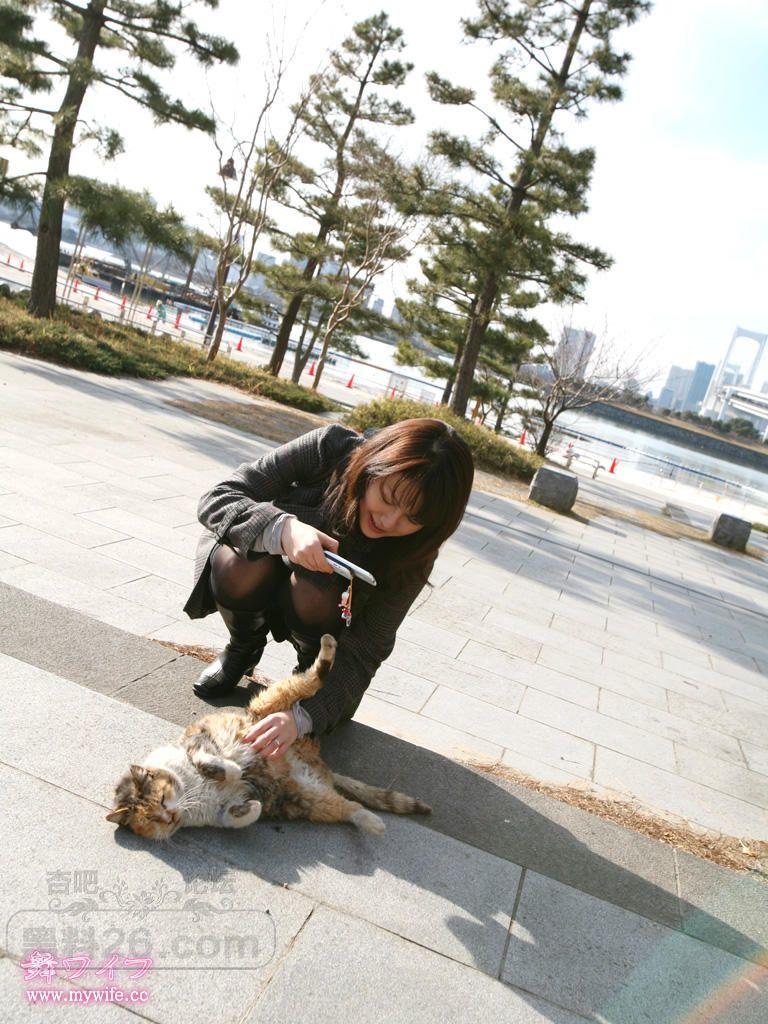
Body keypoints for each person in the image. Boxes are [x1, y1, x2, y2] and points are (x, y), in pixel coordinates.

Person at [182, 418, 474, 762]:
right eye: (388, 497)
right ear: (373, 465)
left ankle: (308, 679)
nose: (389, 521)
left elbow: (368, 647)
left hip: (325, 629)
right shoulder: (329, 448)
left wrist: (301, 716)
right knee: (238, 564)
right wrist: (281, 529)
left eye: (413, 518)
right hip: (264, 575)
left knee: (317, 588)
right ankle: (243, 647)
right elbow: (220, 496)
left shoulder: (416, 553)